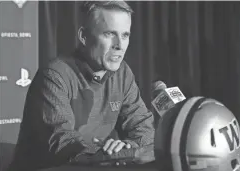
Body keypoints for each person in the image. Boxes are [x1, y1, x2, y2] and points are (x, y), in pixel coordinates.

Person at [9, 1, 155, 170]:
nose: (119, 45)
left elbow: (143, 127)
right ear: (83, 36)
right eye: (109, 34)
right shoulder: (55, 75)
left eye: (125, 35)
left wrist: (128, 147)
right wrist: (111, 153)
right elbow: (62, 143)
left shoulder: (123, 73)